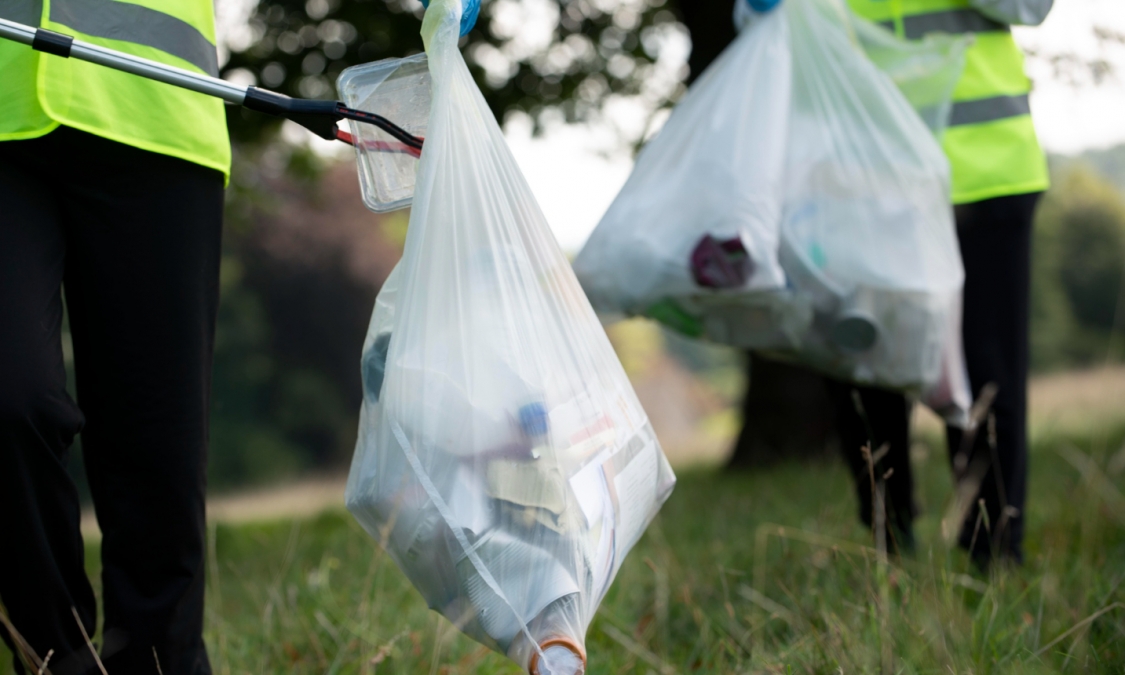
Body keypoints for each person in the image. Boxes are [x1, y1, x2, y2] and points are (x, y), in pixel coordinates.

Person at [738, 0, 1051, 563]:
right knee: (860, 365)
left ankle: (993, 555)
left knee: (988, 374)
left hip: (980, 170)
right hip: (854, 179)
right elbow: (757, 27)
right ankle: (891, 545)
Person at [0, 0, 230, 672]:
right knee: (8, 398)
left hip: (156, 109)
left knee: (158, 450)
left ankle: (160, 661)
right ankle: (54, 658)